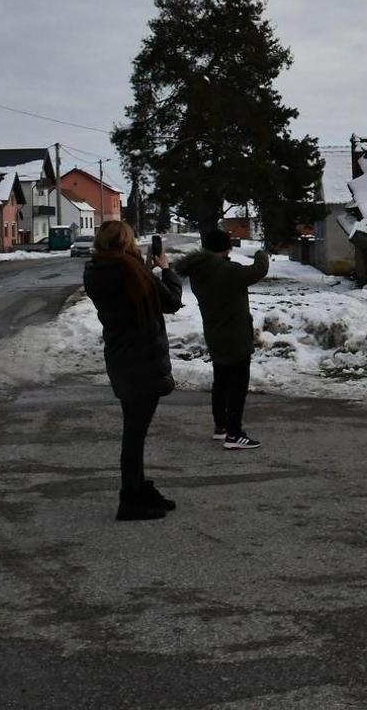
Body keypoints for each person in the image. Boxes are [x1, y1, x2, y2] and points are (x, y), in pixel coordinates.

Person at [82, 220, 184, 522]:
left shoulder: (98, 270)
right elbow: (172, 302)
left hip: (121, 358)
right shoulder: (131, 271)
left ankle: (138, 490)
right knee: (134, 433)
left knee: (134, 430)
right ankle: (130, 498)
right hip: (141, 359)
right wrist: (165, 269)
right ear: (125, 243)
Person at [174, 228, 270, 451]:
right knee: (237, 386)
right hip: (235, 336)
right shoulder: (228, 271)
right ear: (224, 248)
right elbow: (258, 271)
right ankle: (234, 433)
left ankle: (221, 426)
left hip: (215, 334)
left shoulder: (199, 271)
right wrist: (261, 254)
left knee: (221, 383)